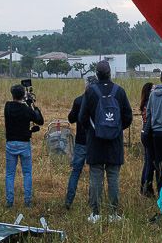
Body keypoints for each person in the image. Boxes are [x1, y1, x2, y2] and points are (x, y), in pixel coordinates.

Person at [79, 60, 133, 224]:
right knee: (113, 177)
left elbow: (82, 118)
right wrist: (115, 130)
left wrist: (93, 130)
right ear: (110, 73)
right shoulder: (120, 92)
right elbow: (128, 118)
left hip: (95, 142)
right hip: (114, 143)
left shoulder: (90, 92)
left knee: (95, 177)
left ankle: (95, 213)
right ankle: (113, 213)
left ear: (96, 74)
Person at [2, 83, 45, 208]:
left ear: (12, 94)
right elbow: (40, 121)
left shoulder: (7, 106)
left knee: (10, 174)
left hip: (10, 143)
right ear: (23, 95)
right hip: (24, 143)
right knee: (27, 173)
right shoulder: (26, 109)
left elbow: (15, 104)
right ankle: (27, 202)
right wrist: (32, 104)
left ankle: (9, 202)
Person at [63, 71, 97, 209]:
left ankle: (68, 201)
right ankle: (92, 202)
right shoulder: (99, 100)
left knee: (76, 171)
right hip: (95, 142)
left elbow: (70, 118)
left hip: (81, 141)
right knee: (94, 172)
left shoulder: (78, 100)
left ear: (86, 86)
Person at [137, 81, 155, 196]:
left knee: (147, 162)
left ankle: (144, 186)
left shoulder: (145, 103)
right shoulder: (150, 103)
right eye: (153, 89)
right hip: (150, 134)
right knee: (150, 164)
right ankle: (147, 188)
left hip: (145, 133)